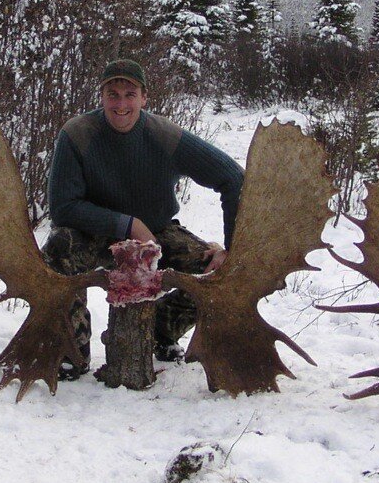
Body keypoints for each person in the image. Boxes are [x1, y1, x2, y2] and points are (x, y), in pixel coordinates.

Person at [43, 59, 245, 377]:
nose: (121, 104)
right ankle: (72, 348)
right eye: (113, 94)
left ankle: (162, 329)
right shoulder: (77, 134)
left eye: (130, 93)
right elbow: (63, 208)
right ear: (101, 97)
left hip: (157, 232)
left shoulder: (163, 135)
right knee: (59, 245)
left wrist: (232, 249)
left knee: (220, 273)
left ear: (144, 97)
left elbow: (233, 178)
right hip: (94, 233)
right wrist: (126, 224)